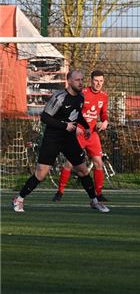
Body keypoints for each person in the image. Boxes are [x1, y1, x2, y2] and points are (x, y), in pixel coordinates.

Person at [12, 70, 110, 213]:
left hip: (69, 139)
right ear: (69, 81)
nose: (80, 82)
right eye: (77, 80)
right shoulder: (59, 97)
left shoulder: (80, 98)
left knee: (83, 170)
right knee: (41, 174)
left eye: (82, 79)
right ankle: (19, 198)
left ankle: (94, 201)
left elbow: (77, 116)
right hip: (53, 139)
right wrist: (65, 126)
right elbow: (45, 117)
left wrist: (87, 127)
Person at [53, 70, 109, 202]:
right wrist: (76, 126)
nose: (98, 83)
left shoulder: (104, 96)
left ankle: (98, 194)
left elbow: (103, 113)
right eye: (96, 81)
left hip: (93, 135)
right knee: (70, 163)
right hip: (78, 134)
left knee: (98, 163)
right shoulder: (82, 94)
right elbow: (73, 111)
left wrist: (105, 121)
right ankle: (60, 192)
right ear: (91, 81)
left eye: (101, 81)